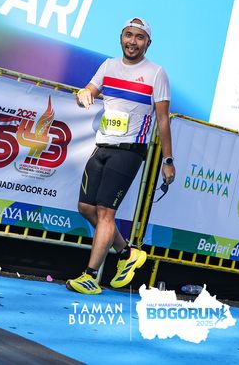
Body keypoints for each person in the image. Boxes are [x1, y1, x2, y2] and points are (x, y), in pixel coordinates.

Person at [66, 17, 175, 295]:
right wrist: (84, 95)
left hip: (129, 151)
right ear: (121, 37)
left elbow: (163, 120)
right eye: (128, 35)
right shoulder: (108, 65)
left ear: (148, 43)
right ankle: (127, 253)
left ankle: (90, 276)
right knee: (86, 208)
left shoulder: (156, 73)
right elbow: (88, 91)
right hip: (103, 145)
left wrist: (168, 160)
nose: (132, 42)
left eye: (139, 37)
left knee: (105, 212)